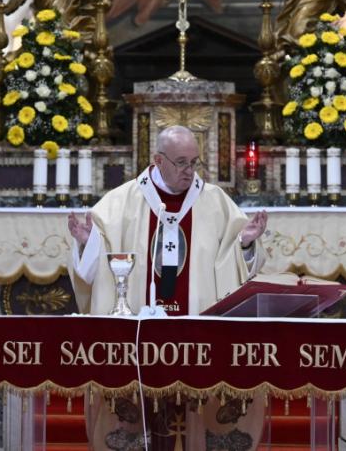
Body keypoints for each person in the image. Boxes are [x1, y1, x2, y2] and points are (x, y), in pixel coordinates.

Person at [67, 125, 269, 449]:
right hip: (139, 340)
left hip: (199, 341)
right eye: (181, 163)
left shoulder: (215, 202)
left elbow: (239, 265)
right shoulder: (120, 202)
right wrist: (86, 243)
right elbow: (97, 265)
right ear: (158, 161)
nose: (189, 171)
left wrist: (244, 243)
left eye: (194, 162)